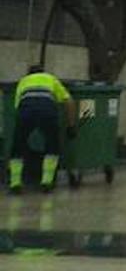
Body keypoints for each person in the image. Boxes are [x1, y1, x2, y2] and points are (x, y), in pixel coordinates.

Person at [8, 64, 74, 195]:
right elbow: (69, 101)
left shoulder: (23, 81)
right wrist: (71, 126)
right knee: (52, 144)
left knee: (18, 145)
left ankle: (15, 182)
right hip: (47, 109)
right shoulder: (51, 79)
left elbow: (17, 107)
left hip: (26, 110)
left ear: (29, 74)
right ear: (43, 72)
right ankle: (47, 181)